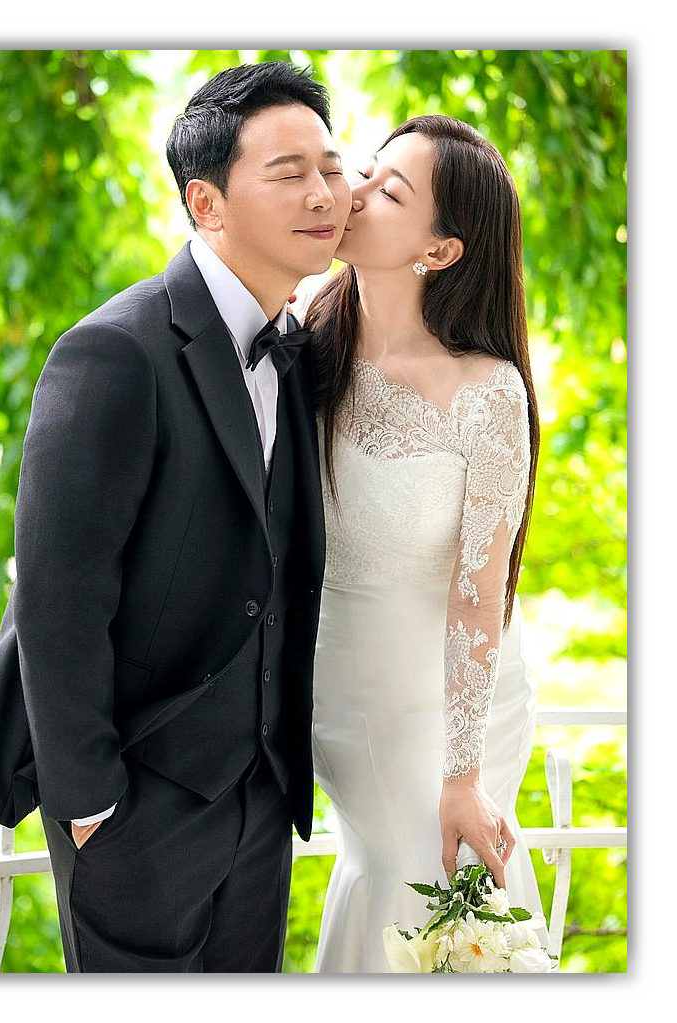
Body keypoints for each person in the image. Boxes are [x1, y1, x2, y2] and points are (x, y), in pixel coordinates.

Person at [0, 60, 351, 973]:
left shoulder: (298, 350)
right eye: (289, 173)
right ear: (206, 203)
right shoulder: (113, 352)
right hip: (137, 808)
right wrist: (92, 804)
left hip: (261, 798)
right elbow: (58, 597)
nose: (325, 194)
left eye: (331, 167)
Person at [302, 114, 546, 972]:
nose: (354, 192)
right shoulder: (305, 339)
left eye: (390, 192)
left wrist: (462, 773)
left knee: (439, 890)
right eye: (367, 171)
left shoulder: (488, 392)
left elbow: (480, 590)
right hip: (345, 685)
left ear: (439, 251)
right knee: (384, 871)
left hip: (458, 703)